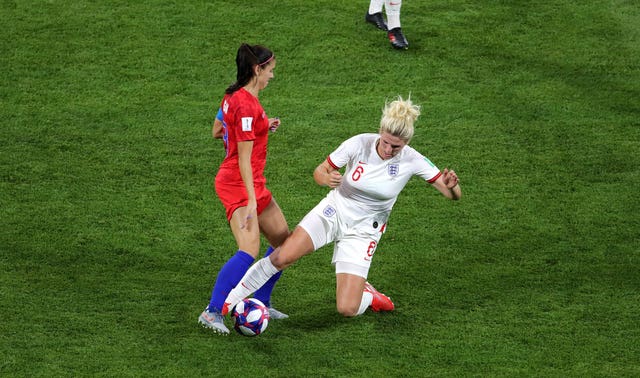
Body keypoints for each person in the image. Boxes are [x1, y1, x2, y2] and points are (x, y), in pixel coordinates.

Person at [221, 95, 461, 319]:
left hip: (365, 230)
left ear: (406, 143)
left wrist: (451, 187)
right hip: (334, 210)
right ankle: (227, 304)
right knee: (282, 256)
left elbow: (453, 195)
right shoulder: (359, 143)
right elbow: (320, 170)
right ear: (380, 132)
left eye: (396, 147)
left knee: (347, 308)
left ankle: (369, 295)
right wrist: (325, 178)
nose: (388, 150)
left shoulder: (413, 159)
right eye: (386, 142)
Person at [198, 43, 290, 335]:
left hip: (250, 182)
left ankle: (260, 299)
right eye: (270, 71)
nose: (272, 77)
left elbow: (217, 130)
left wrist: (263, 124)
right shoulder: (248, 105)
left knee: (283, 242)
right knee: (248, 249)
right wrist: (251, 202)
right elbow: (245, 160)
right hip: (238, 184)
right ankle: (212, 312)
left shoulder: (233, 95)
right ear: (257, 69)